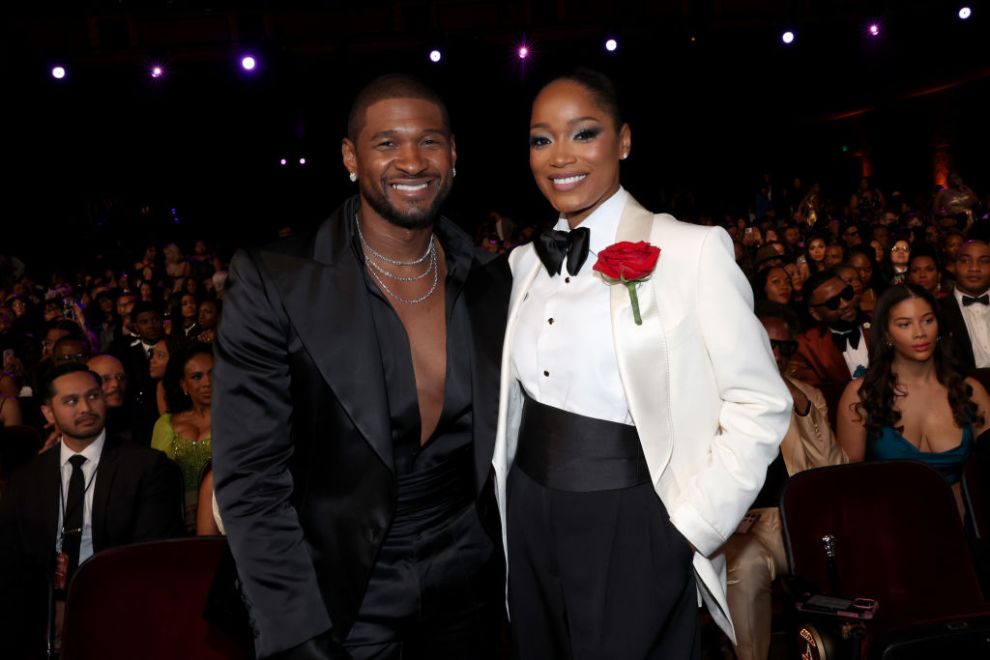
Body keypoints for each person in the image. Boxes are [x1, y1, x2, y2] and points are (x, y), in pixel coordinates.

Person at [493, 69, 790, 658]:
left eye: (584, 133)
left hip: (634, 518)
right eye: (540, 139)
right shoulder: (523, 263)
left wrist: (689, 527)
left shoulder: (691, 250)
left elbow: (761, 402)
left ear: (623, 141)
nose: (560, 156)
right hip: (528, 513)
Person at [212, 74, 511, 659]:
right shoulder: (276, 279)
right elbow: (251, 481)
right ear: (351, 156)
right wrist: (295, 631)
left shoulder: (494, 280)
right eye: (386, 144)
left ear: (453, 155)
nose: (411, 161)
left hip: (471, 592)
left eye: (429, 142)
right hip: (336, 598)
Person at [0, 363, 184, 658]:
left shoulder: (146, 467)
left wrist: (78, 607)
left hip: (120, 613)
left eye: (93, 396)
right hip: (40, 617)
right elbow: (12, 563)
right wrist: (51, 609)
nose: (85, 407)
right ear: (49, 413)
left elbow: (152, 561)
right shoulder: (26, 479)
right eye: (71, 401)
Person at [725, 311, 848, 660]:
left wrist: (800, 405)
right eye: (767, 345)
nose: (776, 355)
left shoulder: (807, 396)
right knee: (746, 567)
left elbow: (833, 468)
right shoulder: (718, 396)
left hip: (803, 520)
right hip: (748, 525)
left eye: (785, 347)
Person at [836, 284, 990, 518]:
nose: (920, 333)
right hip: (887, 527)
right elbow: (848, 484)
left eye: (927, 320)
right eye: (905, 324)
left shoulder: (970, 391)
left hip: (963, 525)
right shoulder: (861, 395)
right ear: (886, 333)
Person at [151, 343, 214, 530]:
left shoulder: (239, 419)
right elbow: (155, 483)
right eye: (197, 377)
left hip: (225, 517)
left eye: (213, 373)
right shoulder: (165, 424)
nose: (207, 382)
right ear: (183, 385)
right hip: (174, 522)